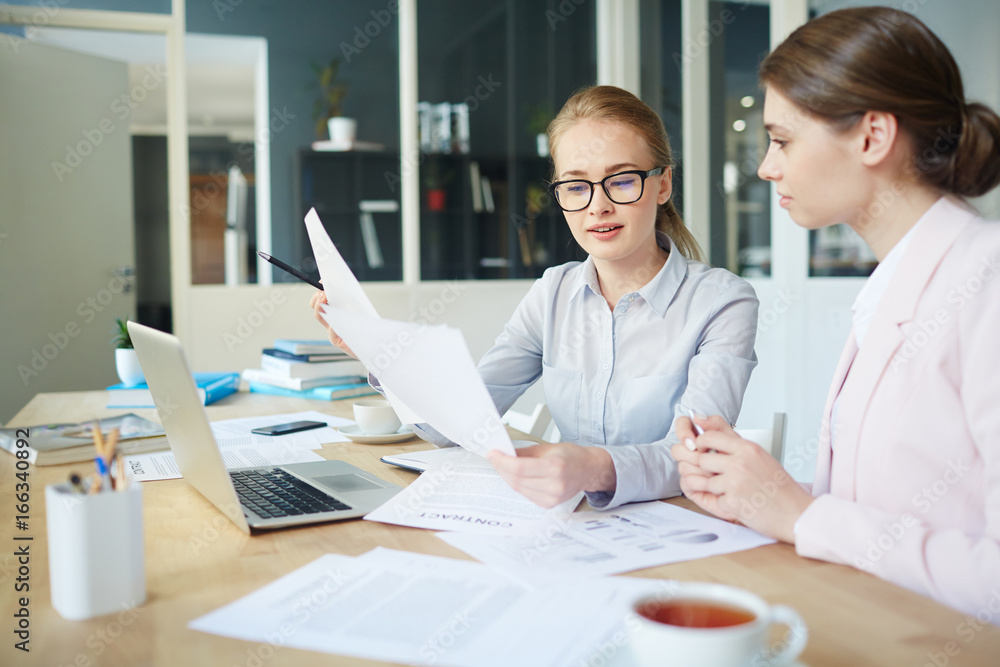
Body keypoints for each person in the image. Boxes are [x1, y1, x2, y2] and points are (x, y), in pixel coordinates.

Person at [671, 7, 1000, 620]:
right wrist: (764, 493)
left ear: (872, 137)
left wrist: (801, 515)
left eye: (783, 139)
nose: (767, 166)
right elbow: (882, 507)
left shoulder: (986, 283)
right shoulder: (895, 284)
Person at [313, 85, 759, 511]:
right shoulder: (552, 293)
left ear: (662, 185)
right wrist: (375, 349)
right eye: (576, 186)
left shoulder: (723, 303)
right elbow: (457, 424)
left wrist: (592, 468)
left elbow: (695, 456)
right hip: (570, 522)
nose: (597, 207)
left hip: (678, 535)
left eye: (621, 181)